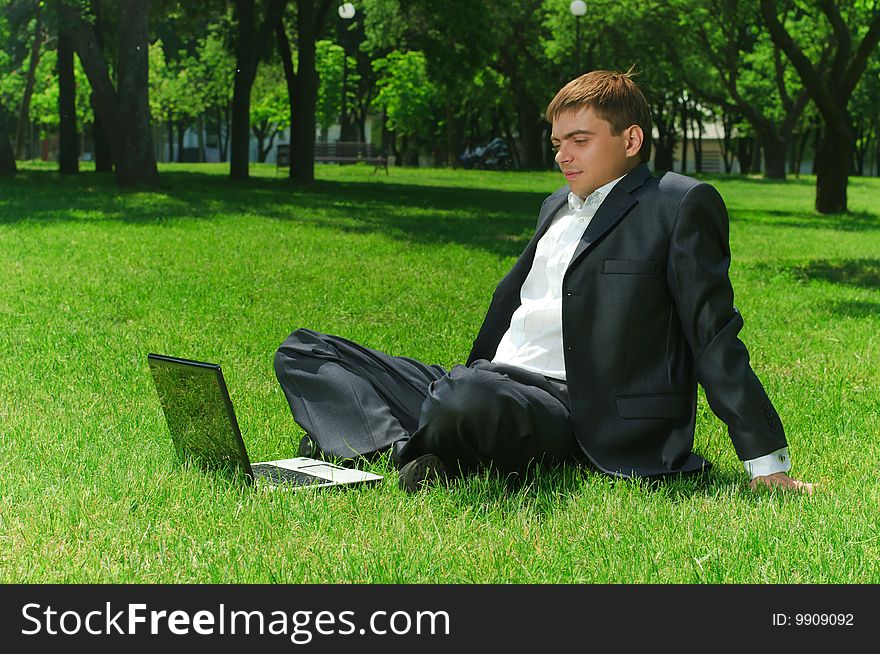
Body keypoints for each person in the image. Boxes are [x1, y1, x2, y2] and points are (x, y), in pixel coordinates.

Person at [274, 70, 814, 495]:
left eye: (579, 140)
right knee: (304, 350)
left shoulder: (676, 204)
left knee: (464, 396)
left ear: (630, 139)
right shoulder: (555, 204)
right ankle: (406, 449)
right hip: (491, 378)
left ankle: (371, 438)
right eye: (557, 141)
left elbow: (713, 335)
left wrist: (766, 460)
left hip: (573, 408)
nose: (562, 155)